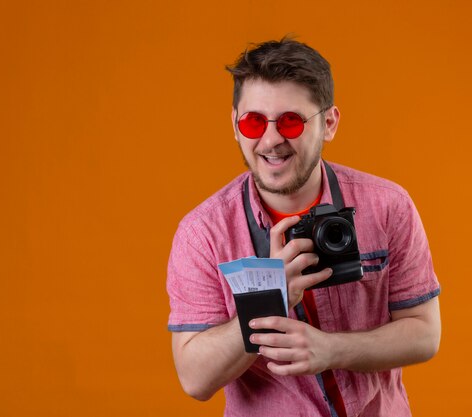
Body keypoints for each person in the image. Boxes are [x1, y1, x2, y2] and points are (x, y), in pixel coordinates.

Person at [167, 37, 441, 417]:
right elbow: (195, 379)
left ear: (328, 123)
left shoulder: (388, 207)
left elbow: (425, 334)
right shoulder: (203, 234)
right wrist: (268, 297)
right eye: (254, 121)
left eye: (291, 122)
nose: (271, 139)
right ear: (234, 125)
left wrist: (330, 349)